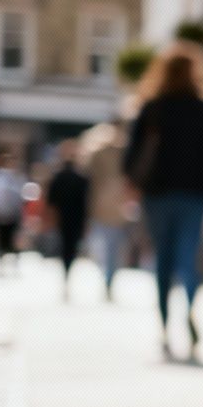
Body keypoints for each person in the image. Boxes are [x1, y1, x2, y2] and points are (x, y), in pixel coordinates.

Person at [125, 44, 203, 360]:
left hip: (157, 193)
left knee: (163, 259)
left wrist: (133, 184)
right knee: (188, 256)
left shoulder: (152, 108)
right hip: (194, 194)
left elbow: (132, 156)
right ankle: (190, 308)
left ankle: (164, 324)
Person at [80, 120, 135, 300]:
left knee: (102, 245)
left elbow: (87, 176)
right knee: (113, 247)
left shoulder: (97, 150)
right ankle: (109, 276)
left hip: (102, 204)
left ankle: (107, 275)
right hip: (117, 205)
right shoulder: (124, 151)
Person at [45, 140, 91, 300]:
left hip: (66, 218)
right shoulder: (79, 178)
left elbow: (51, 201)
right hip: (72, 218)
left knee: (67, 247)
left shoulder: (63, 176)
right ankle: (66, 272)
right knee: (69, 248)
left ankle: (66, 273)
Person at [0, 154, 26, 274]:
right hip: (1, 213)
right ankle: (1, 263)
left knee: (11, 239)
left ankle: (11, 263)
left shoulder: (15, 176)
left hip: (11, 213)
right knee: (2, 239)